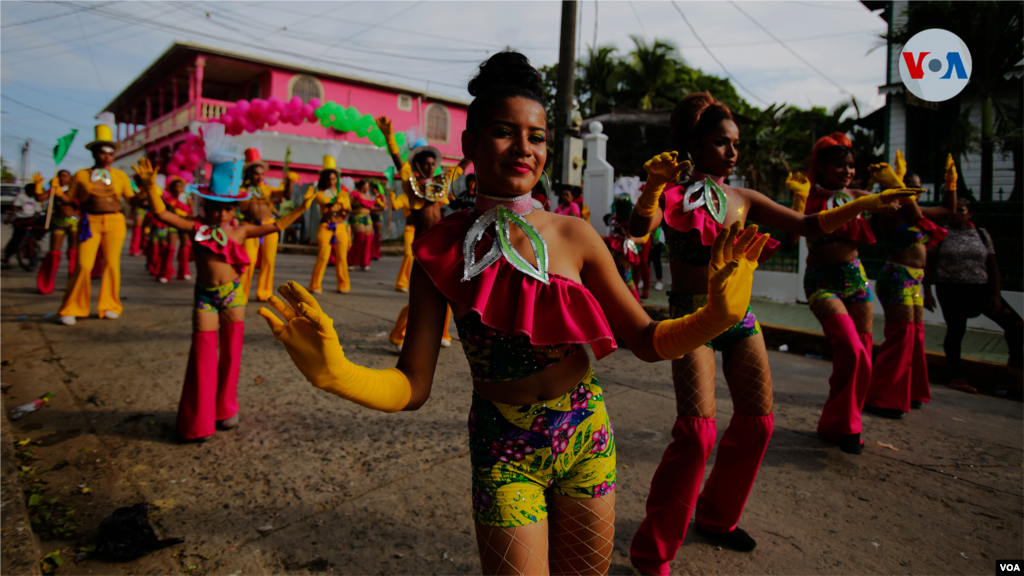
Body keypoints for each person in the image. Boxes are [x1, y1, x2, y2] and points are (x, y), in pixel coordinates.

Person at [259, 51, 767, 576]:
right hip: (503, 449)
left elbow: (642, 338)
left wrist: (713, 317)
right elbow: (412, 387)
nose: (524, 148)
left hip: (587, 435)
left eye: (537, 136)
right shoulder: (439, 250)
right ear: (470, 144)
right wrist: (338, 374)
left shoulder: (576, 236)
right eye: (505, 132)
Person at [626, 95, 911, 573]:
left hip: (740, 319)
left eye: (736, 144)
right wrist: (654, 187)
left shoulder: (744, 199)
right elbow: (639, 228)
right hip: (690, 318)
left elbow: (804, 224)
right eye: (721, 143)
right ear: (695, 143)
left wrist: (867, 203)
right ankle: (653, 550)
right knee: (697, 435)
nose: (733, 153)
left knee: (758, 422)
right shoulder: (673, 196)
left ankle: (718, 517)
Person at [135, 132, 313, 442]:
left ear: (235, 209)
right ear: (205, 205)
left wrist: (302, 207)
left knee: (231, 355)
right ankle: (198, 420)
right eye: (215, 206)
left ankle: (225, 408)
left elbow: (276, 226)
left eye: (228, 208)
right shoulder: (196, 227)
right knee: (203, 353)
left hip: (234, 296)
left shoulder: (242, 230)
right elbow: (162, 213)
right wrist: (151, 186)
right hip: (204, 297)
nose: (221, 213)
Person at [793, 133, 917, 456]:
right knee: (849, 347)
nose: (847, 172)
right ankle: (843, 424)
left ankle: (844, 424)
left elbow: (913, 218)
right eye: (839, 166)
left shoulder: (858, 195)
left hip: (856, 280)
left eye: (851, 166)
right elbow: (794, 236)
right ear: (820, 166)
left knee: (861, 354)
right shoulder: (807, 196)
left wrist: (897, 183)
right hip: (821, 282)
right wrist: (796, 202)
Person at [864, 153, 954, 417]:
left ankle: (907, 392)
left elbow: (948, 209)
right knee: (901, 335)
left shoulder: (912, 209)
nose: (916, 193)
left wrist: (951, 181)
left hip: (914, 280)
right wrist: (896, 184)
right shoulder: (891, 211)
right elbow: (912, 210)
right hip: (897, 277)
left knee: (915, 335)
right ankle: (880, 397)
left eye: (918, 188)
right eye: (910, 188)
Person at [378, 117, 464, 350]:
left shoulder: (440, 183)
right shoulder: (411, 184)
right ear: (417, 165)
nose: (429, 166)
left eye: (431, 163)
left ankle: (443, 333)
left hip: (442, 246)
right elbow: (399, 163)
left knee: (446, 292)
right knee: (421, 298)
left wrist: (474, 151)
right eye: (425, 163)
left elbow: (460, 170)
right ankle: (398, 334)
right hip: (423, 245)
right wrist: (389, 137)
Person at [925, 198, 1024, 392]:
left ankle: (1016, 358)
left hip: (981, 288)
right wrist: (927, 292)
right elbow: (929, 265)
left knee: (1016, 324)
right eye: (951, 210)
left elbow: (992, 264)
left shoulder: (981, 234)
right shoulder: (941, 233)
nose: (954, 213)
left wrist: (996, 294)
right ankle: (957, 377)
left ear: (970, 213)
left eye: (960, 210)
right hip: (951, 289)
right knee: (956, 330)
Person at [57, 124, 138, 326]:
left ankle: (110, 305)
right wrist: (55, 190)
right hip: (89, 222)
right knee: (83, 265)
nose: (107, 156)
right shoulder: (81, 175)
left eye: (110, 153)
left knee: (111, 264)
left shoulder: (120, 176)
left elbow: (132, 200)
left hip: (115, 221)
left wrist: (146, 190)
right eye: (102, 152)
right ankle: (72, 307)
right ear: (94, 153)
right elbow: (69, 199)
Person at [238, 147, 297, 302]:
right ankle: (241, 295)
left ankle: (264, 293)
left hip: (269, 227)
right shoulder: (242, 190)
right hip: (250, 227)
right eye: (256, 173)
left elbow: (286, 194)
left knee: (269, 261)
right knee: (247, 261)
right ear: (249, 174)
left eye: (262, 174)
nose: (260, 177)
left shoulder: (268, 189)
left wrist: (290, 182)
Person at [308, 155, 352, 295]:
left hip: (340, 226)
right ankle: (315, 285)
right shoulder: (320, 193)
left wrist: (344, 202)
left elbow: (348, 210)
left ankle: (344, 285)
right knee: (323, 255)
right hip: (326, 226)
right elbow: (324, 204)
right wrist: (336, 201)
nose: (331, 181)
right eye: (328, 179)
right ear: (324, 180)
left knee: (342, 257)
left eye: (333, 178)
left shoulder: (343, 193)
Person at [35, 169, 79, 294]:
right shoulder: (53, 189)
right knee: (54, 253)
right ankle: (46, 284)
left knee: (73, 253)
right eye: (60, 176)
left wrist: (59, 193)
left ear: (70, 178)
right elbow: (39, 198)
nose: (62, 178)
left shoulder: (73, 190)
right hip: (58, 222)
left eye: (65, 176)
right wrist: (38, 186)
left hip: (73, 222)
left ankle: (73, 283)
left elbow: (72, 202)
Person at [4, 176, 45, 265]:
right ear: (28, 190)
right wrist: (9, 219)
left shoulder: (37, 198)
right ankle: (7, 258)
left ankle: (36, 241)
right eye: (34, 190)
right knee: (16, 239)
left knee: (46, 223)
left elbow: (38, 211)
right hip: (21, 219)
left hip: (32, 219)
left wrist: (37, 215)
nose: (35, 192)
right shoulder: (21, 196)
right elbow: (15, 208)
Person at [348, 180, 376, 271]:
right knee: (360, 238)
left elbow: (372, 208)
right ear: (362, 186)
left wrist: (382, 207)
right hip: (357, 217)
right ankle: (351, 262)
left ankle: (364, 263)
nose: (368, 188)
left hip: (367, 218)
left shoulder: (368, 196)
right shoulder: (354, 194)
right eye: (367, 186)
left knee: (368, 240)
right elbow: (347, 206)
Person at [370, 182, 386, 261]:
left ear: (376, 189)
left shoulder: (381, 196)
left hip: (378, 216)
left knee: (377, 236)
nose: (371, 190)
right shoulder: (370, 196)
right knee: (370, 236)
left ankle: (376, 253)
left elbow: (384, 206)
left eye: (372, 189)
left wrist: (379, 202)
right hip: (370, 216)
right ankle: (371, 253)